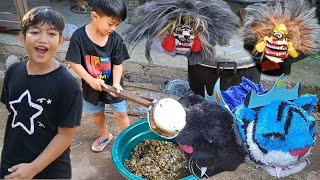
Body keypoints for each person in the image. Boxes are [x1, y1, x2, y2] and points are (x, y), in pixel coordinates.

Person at [0, 6, 83, 179]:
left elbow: (65, 135)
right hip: (12, 160)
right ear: (22, 37)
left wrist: (33, 168)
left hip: (50, 169)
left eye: (52, 34)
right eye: (35, 32)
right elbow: (12, 112)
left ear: (61, 40)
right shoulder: (13, 72)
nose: (43, 39)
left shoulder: (67, 85)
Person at [66, 0, 130, 152]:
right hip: (91, 87)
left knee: (121, 114)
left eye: (117, 25)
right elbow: (74, 62)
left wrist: (116, 83)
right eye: (110, 24)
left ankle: (127, 140)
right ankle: (104, 135)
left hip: (113, 86)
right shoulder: (78, 37)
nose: (113, 28)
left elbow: (118, 64)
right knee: (97, 114)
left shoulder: (115, 40)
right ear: (94, 16)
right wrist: (90, 79)